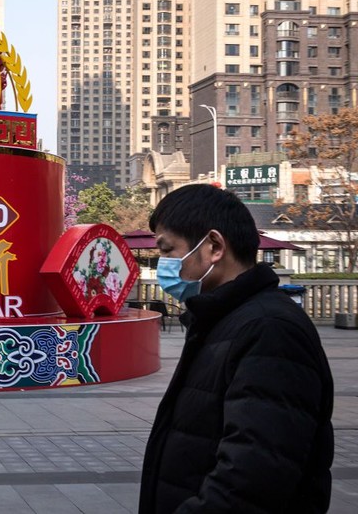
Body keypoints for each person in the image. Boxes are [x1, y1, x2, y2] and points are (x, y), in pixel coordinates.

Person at [139, 184, 333, 513]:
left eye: (169, 250)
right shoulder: (221, 320)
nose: (164, 266)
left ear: (214, 246)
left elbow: (252, 478)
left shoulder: (270, 330)